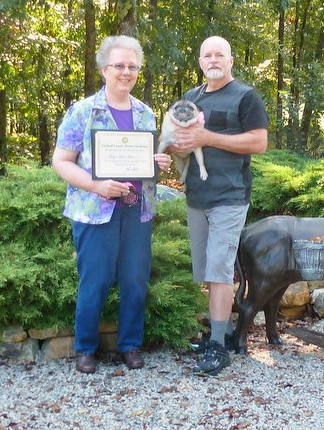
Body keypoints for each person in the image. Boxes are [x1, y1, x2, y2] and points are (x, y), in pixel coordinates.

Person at [53, 35, 172, 374]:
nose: (126, 72)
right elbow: (61, 161)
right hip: (95, 210)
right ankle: (85, 348)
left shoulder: (145, 113)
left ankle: (130, 345)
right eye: (119, 65)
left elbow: (140, 161)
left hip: (137, 209)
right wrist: (96, 185)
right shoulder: (82, 111)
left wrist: (156, 163)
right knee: (96, 280)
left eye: (132, 66)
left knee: (135, 280)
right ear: (104, 69)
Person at [170, 36, 269, 375]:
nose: (213, 60)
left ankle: (217, 348)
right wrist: (167, 151)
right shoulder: (190, 99)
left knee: (219, 268)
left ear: (231, 60)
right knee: (205, 270)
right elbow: (182, 144)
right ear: (200, 62)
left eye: (220, 54)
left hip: (229, 196)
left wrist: (207, 137)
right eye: (207, 55)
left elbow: (259, 142)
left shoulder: (245, 96)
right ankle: (223, 333)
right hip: (196, 196)